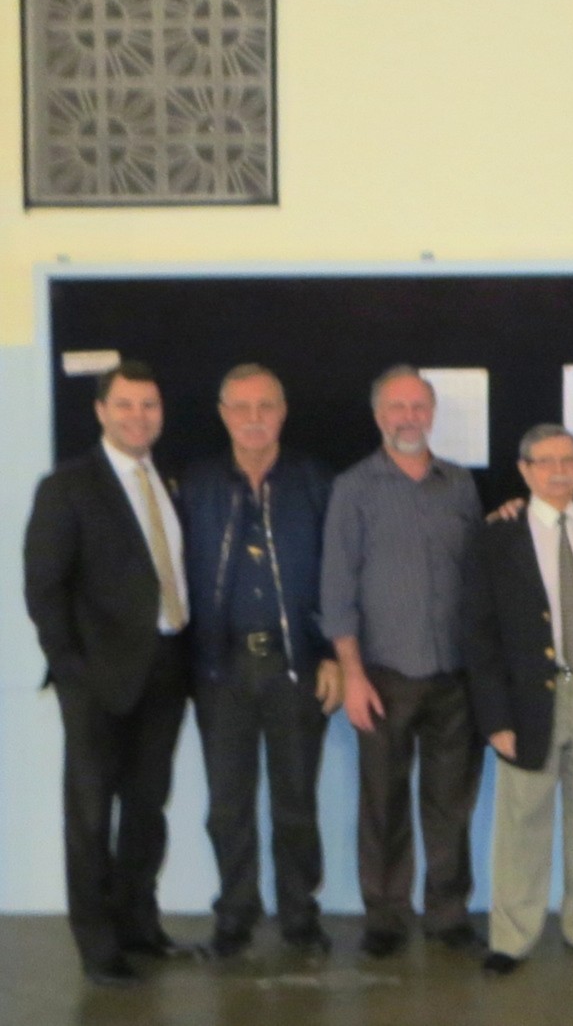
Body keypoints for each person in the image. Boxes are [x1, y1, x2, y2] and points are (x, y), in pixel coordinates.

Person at [23, 360, 192, 986]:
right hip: (97, 680)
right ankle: (98, 947)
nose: (137, 416)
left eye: (149, 405)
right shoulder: (66, 486)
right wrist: (72, 670)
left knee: (147, 809)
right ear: (100, 411)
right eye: (124, 404)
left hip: (167, 670)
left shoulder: (166, 479)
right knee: (91, 817)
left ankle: (138, 924)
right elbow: (44, 588)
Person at [321, 364, 485, 959]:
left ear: (432, 414)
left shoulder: (460, 485)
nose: (408, 417)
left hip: (454, 677)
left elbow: (480, 572)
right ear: (378, 416)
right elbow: (336, 589)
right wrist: (352, 675)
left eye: (418, 406)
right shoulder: (353, 488)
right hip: (382, 675)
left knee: (451, 805)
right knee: (383, 803)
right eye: (397, 407)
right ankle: (386, 917)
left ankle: (448, 913)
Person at [182, 364, 341, 959]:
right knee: (228, 805)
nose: (254, 418)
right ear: (223, 414)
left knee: (295, 800)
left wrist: (333, 653)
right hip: (219, 670)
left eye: (265, 406)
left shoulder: (316, 482)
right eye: (241, 407)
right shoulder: (194, 484)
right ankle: (235, 914)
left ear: (283, 411)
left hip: (295, 667)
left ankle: (300, 915)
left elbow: (340, 574)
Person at [466, 424, 573, 975]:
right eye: (545, 461)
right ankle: (512, 938)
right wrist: (495, 718)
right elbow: (479, 634)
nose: (559, 471)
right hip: (529, 696)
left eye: (569, 460)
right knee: (523, 820)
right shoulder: (498, 536)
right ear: (524, 470)